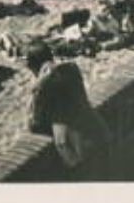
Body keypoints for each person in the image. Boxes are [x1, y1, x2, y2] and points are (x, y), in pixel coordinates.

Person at [27, 40, 110, 173]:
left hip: (77, 150)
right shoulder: (72, 68)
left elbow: (33, 123)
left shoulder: (41, 86)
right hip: (99, 131)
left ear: (32, 66)